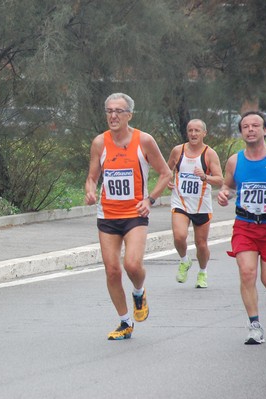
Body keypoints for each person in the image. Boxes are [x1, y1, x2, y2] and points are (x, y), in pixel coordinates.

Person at [85, 93, 172, 340]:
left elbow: (165, 173)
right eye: (109, 110)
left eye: (118, 111)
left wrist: (150, 199)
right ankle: (124, 322)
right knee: (112, 270)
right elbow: (92, 177)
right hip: (108, 215)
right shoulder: (99, 143)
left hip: (135, 214)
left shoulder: (143, 140)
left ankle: (138, 291)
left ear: (129, 115)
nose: (113, 115)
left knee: (132, 264)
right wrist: (90, 191)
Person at [218, 110, 266, 345]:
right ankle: (254, 325)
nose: (250, 130)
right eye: (245, 126)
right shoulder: (234, 161)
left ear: (264, 130)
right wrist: (224, 194)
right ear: (241, 133)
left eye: (255, 125)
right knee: (247, 272)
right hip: (246, 226)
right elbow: (228, 187)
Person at [167, 119, 223, 288]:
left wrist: (205, 177)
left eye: (197, 130)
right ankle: (184, 261)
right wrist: (169, 180)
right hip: (180, 202)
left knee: (201, 244)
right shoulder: (178, 151)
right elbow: (166, 169)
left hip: (201, 205)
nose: (193, 134)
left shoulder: (209, 154)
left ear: (204, 133)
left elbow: (220, 180)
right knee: (179, 236)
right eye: (190, 130)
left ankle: (202, 272)